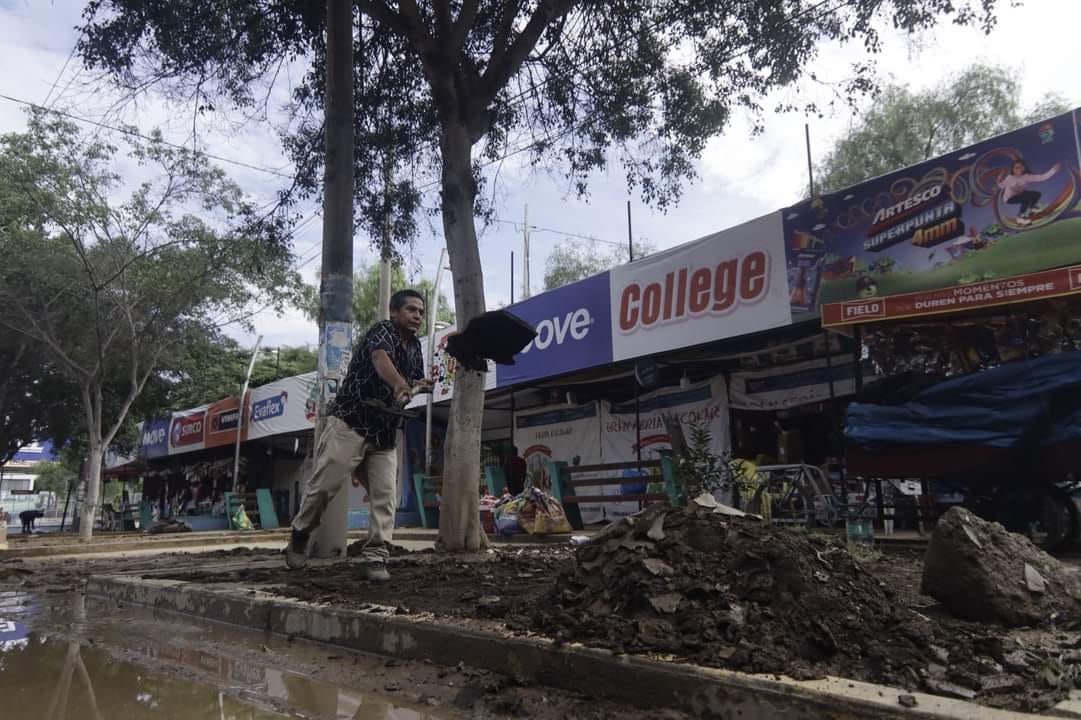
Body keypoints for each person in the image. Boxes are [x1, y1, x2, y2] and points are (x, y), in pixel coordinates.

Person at [286, 289, 427, 581]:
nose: (417, 316)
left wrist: (415, 387)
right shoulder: (382, 331)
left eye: (421, 312)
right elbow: (380, 360)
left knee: (385, 497)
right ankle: (300, 532)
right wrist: (400, 384)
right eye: (411, 310)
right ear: (394, 312)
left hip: (385, 434)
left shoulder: (415, 348)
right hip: (351, 423)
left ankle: (376, 556)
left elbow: (409, 387)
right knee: (324, 487)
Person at [998, 159, 1060, 225]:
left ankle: (1032, 208)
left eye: (1020, 167)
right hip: (1009, 198)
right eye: (1016, 168)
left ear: (1023, 168)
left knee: (1036, 194)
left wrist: (1053, 170)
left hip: (1020, 194)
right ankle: (1020, 218)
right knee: (1026, 200)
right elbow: (1001, 186)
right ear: (1013, 169)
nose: (1018, 169)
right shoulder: (1009, 178)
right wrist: (999, 178)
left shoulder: (1026, 177)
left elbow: (1041, 177)